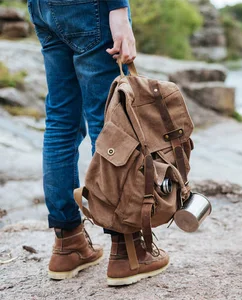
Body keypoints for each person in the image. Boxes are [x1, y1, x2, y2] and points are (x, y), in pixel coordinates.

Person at [27, 0, 168, 285]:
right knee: (109, 121)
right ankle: (126, 249)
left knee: (61, 122)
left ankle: (68, 243)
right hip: (89, 7)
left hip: (42, 6)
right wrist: (119, 9)